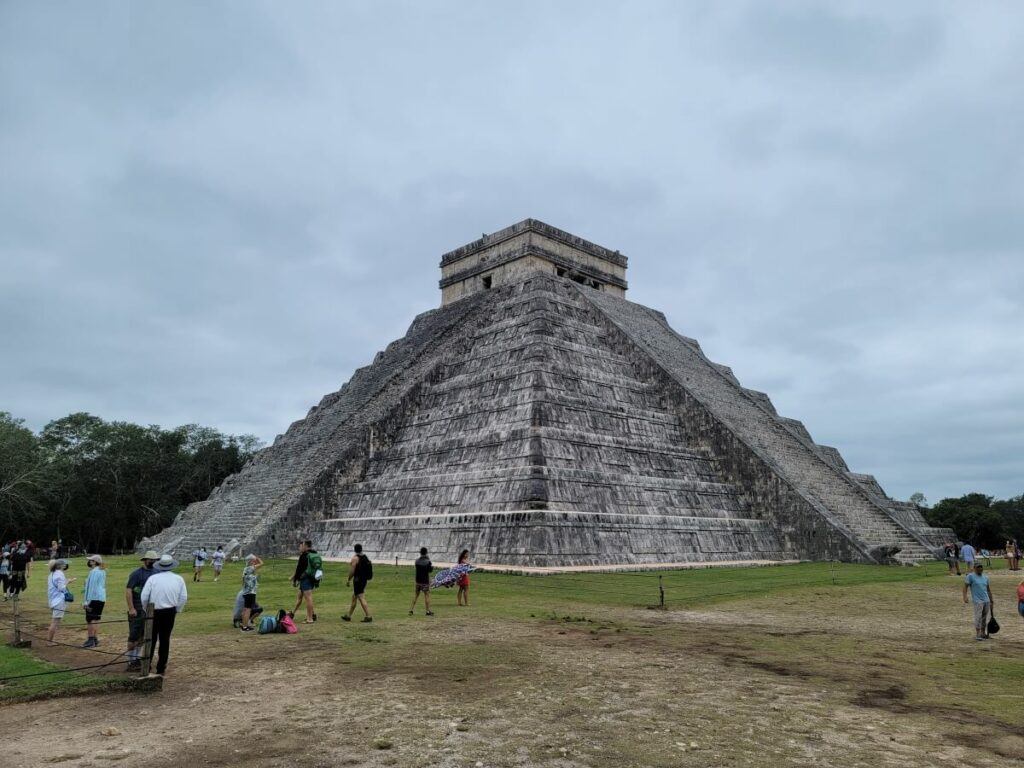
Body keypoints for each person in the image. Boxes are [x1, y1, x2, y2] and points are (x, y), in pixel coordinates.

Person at [139, 554, 188, 677]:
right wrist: (177, 609)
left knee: (151, 638)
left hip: (154, 610)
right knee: (165, 639)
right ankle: (161, 667)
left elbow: (144, 596)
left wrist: (146, 609)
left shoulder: (153, 578)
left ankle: (147, 664)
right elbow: (183, 597)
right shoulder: (178, 579)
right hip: (169, 611)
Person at [125, 550, 159, 672]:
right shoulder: (136, 574)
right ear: (145, 560)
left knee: (144, 636)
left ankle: (138, 658)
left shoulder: (156, 572)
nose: (153, 562)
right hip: (138, 609)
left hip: (150, 610)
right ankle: (131, 660)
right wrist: (131, 608)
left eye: (155, 560)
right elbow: (129, 590)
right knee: (133, 636)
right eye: (151, 559)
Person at [963, 562, 995, 641]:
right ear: (974, 568)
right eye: (978, 567)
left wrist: (991, 600)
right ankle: (978, 634)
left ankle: (983, 633)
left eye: (981, 567)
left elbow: (988, 589)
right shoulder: (970, 576)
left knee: (984, 617)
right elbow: (965, 587)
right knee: (978, 617)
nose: (980, 569)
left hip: (986, 600)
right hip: (977, 600)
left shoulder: (985, 577)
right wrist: (965, 597)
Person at [46, 559, 75, 645]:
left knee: (54, 621)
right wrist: (68, 581)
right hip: (58, 601)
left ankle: (50, 640)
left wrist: (66, 582)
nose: (66, 566)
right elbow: (61, 588)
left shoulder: (51, 574)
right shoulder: (60, 574)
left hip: (52, 600)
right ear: (61, 565)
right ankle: (49, 642)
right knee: (55, 622)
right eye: (65, 565)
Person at [292, 540, 321, 624]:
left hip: (305, 579)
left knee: (308, 599)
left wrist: (295, 580)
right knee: (307, 598)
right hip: (312, 578)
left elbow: (299, 569)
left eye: (302, 545)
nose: (301, 547)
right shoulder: (314, 553)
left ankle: (310, 618)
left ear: (306, 546)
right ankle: (311, 616)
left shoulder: (304, 555)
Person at [341, 544, 372, 623]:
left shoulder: (355, 558)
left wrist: (348, 579)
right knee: (354, 597)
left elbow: (352, 571)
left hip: (358, 580)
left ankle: (368, 616)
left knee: (361, 597)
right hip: (364, 580)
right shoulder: (365, 557)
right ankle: (348, 616)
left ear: (355, 550)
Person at [82, 555, 107, 648]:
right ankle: (95, 639)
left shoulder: (94, 572)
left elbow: (91, 588)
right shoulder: (102, 571)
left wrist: (86, 601)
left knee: (90, 619)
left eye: (91, 560)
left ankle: (90, 639)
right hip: (101, 598)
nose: (89, 562)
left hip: (93, 598)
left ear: (94, 562)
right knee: (96, 619)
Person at [239, 554, 264, 632]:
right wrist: (258, 558)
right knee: (248, 610)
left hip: (246, 592)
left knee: (245, 609)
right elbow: (262, 563)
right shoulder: (250, 568)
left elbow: (243, 582)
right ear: (251, 561)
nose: (254, 562)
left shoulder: (245, 569)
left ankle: (244, 625)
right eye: (253, 561)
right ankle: (245, 627)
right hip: (250, 592)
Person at [410, 547, 434, 616]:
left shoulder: (417, 561)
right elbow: (430, 570)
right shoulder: (427, 561)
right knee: (426, 595)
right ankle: (427, 611)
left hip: (418, 581)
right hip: (425, 581)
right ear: (426, 553)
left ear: (420, 553)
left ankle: (411, 609)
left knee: (416, 595)